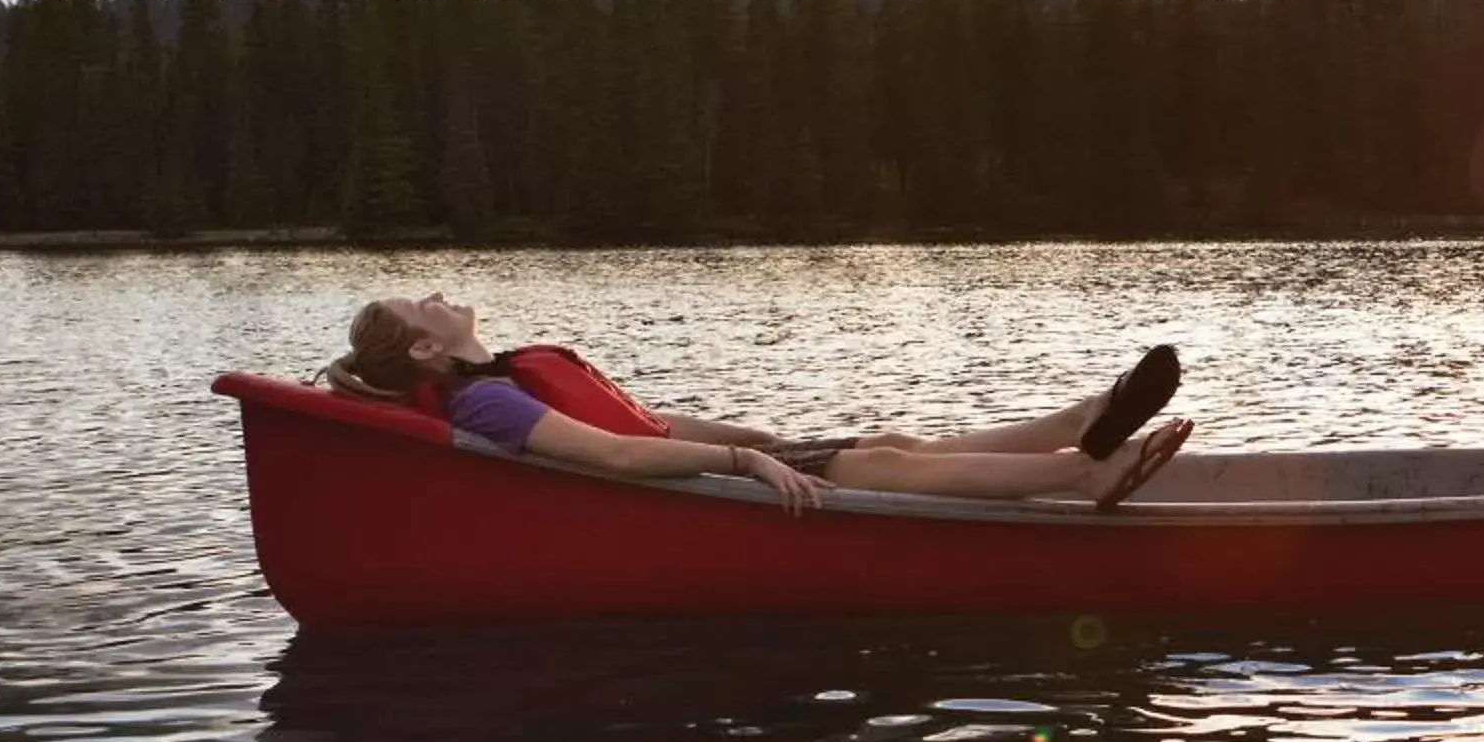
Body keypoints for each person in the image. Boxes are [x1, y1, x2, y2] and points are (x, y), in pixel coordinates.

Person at [322, 292, 1191, 512]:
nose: (435, 293)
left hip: (710, 463)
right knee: (885, 467)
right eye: (418, 305)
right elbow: (618, 458)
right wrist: (744, 459)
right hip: (696, 495)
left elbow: (646, 425)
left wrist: (752, 431)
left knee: (887, 439)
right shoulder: (490, 404)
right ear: (428, 349)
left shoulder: (506, 375)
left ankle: (1080, 423)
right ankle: (1080, 475)